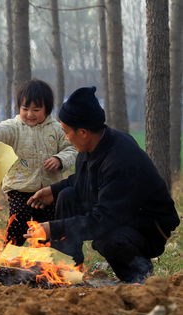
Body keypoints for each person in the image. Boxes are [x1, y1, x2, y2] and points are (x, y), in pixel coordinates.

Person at [24, 86, 180, 283]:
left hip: (148, 227)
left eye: (66, 132)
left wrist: (52, 229)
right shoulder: (90, 148)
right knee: (67, 196)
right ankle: (65, 269)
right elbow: (83, 182)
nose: (66, 138)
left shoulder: (121, 159)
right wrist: (53, 190)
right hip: (119, 214)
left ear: (82, 132)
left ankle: (139, 276)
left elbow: (103, 220)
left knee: (107, 239)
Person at [0, 79, 77, 246]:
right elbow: (2, 129)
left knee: (45, 227)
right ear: (19, 108)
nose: (30, 114)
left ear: (47, 109)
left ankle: (43, 263)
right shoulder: (15, 127)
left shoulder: (57, 129)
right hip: (19, 187)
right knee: (19, 219)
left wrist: (59, 160)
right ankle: (10, 256)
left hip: (48, 190)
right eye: (25, 109)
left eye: (36, 110)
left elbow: (72, 149)